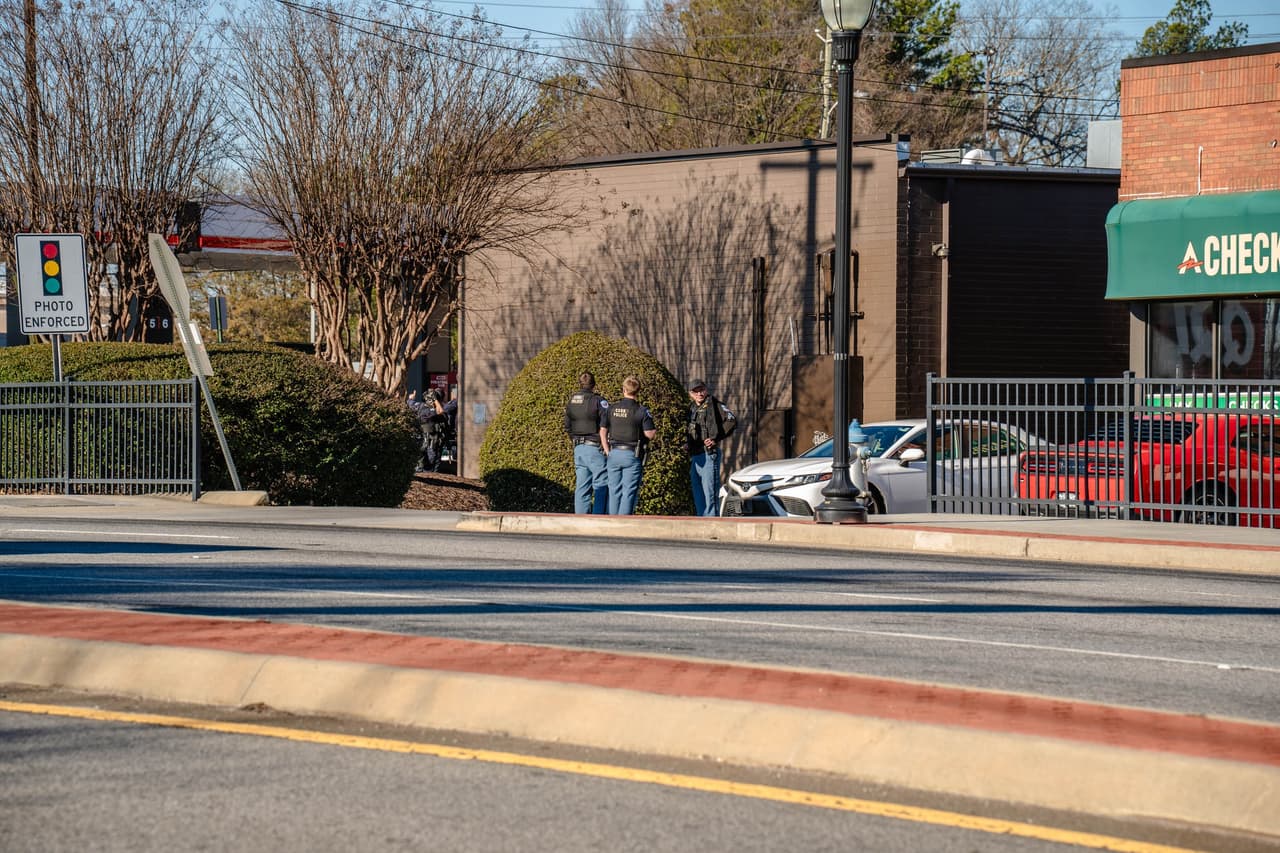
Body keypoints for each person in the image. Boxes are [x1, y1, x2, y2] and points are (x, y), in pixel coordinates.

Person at [605, 374, 656, 515]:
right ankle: (623, 522)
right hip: (632, 454)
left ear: (624, 389)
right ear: (638, 391)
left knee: (613, 490)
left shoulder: (612, 408)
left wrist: (607, 450)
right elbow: (650, 434)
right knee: (628, 492)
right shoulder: (642, 410)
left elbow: (603, 430)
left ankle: (613, 521)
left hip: (614, 452)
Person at [686, 379, 736, 516]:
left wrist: (715, 438)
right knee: (698, 493)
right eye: (696, 391)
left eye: (701, 390)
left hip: (709, 454)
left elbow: (731, 420)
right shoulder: (691, 408)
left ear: (706, 390)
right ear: (690, 394)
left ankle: (712, 522)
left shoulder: (714, 404)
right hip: (695, 456)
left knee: (710, 494)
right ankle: (702, 521)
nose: (699, 393)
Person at [563, 371, 610, 514]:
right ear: (594, 384)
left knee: (582, 487)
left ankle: (581, 519)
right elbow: (607, 423)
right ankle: (599, 518)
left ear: (580, 384)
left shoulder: (571, 401)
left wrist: (575, 439)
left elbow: (567, 426)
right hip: (594, 448)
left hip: (578, 448)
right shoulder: (598, 401)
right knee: (602, 484)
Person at [408, 388, 450, 473]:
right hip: (431, 444)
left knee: (422, 464)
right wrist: (435, 400)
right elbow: (440, 411)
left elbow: (410, 403)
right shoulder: (428, 409)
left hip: (422, 443)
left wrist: (411, 398)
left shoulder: (418, 406)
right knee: (430, 468)